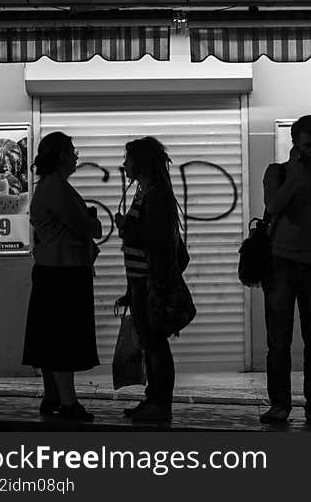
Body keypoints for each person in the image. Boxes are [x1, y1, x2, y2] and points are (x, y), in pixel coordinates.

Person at [260, 115, 311, 426]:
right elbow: (273, 207)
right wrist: (295, 175)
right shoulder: (277, 172)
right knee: (278, 340)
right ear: (295, 144)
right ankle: (279, 405)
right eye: (308, 145)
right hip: (278, 264)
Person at [22, 132, 102, 422]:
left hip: (51, 271)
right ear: (60, 156)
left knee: (48, 337)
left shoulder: (47, 186)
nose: (76, 156)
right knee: (62, 338)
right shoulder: (56, 187)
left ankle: (52, 395)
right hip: (63, 273)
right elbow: (85, 226)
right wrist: (94, 222)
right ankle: (68, 403)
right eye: (71, 150)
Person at [114, 136, 185, 422]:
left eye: (128, 159)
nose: (124, 164)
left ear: (140, 162)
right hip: (140, 281)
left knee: (155, 344)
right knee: (151, 342)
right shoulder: (146, 192)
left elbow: (154, 240)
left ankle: (160, 402)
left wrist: (126, 227)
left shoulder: (155, 195)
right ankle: (153, 399)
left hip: (149, 282)